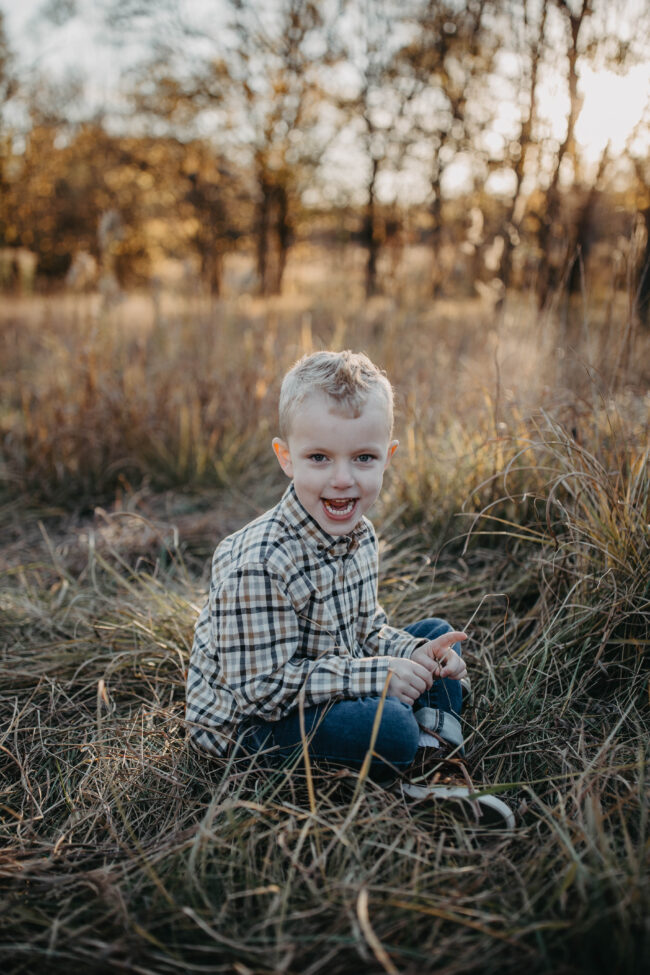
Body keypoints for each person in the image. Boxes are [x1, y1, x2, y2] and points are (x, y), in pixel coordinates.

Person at [186, 350, 513, 827]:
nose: (342, 480)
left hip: (319, 677)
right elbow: (261, 692)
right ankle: (412, 761)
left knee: (434, 634)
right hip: (248, 727)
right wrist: (377, 677)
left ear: (388, 457)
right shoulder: (259, 564)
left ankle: (434, 754)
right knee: (389, 727)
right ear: (286, 458)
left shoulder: (360, 536)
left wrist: (414, 652)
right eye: (319, 458)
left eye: (363, 458)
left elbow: (366, 630)